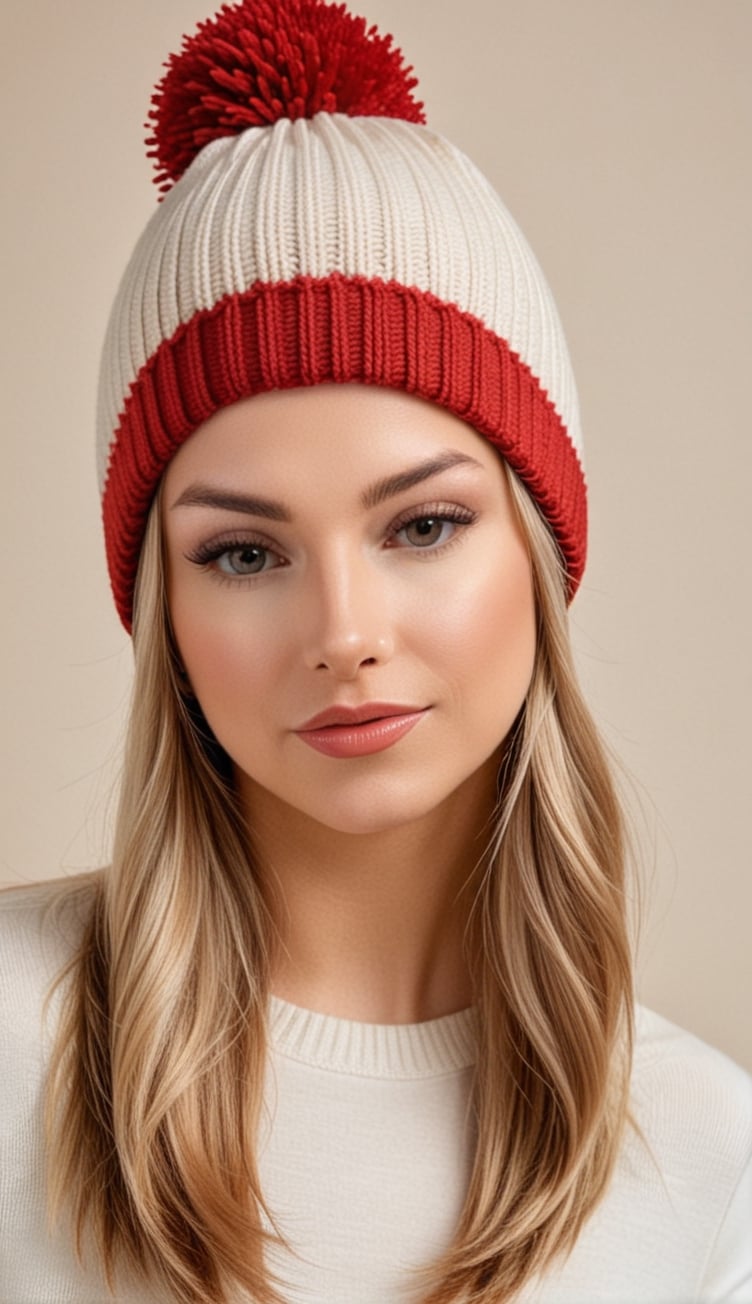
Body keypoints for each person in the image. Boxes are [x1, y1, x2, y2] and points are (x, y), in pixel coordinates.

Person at [0, 1, 750, 1301]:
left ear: (540, 552)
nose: (344, 634)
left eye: (424, 524)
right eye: (244, 553)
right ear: (160, 603)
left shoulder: (708, 1158)